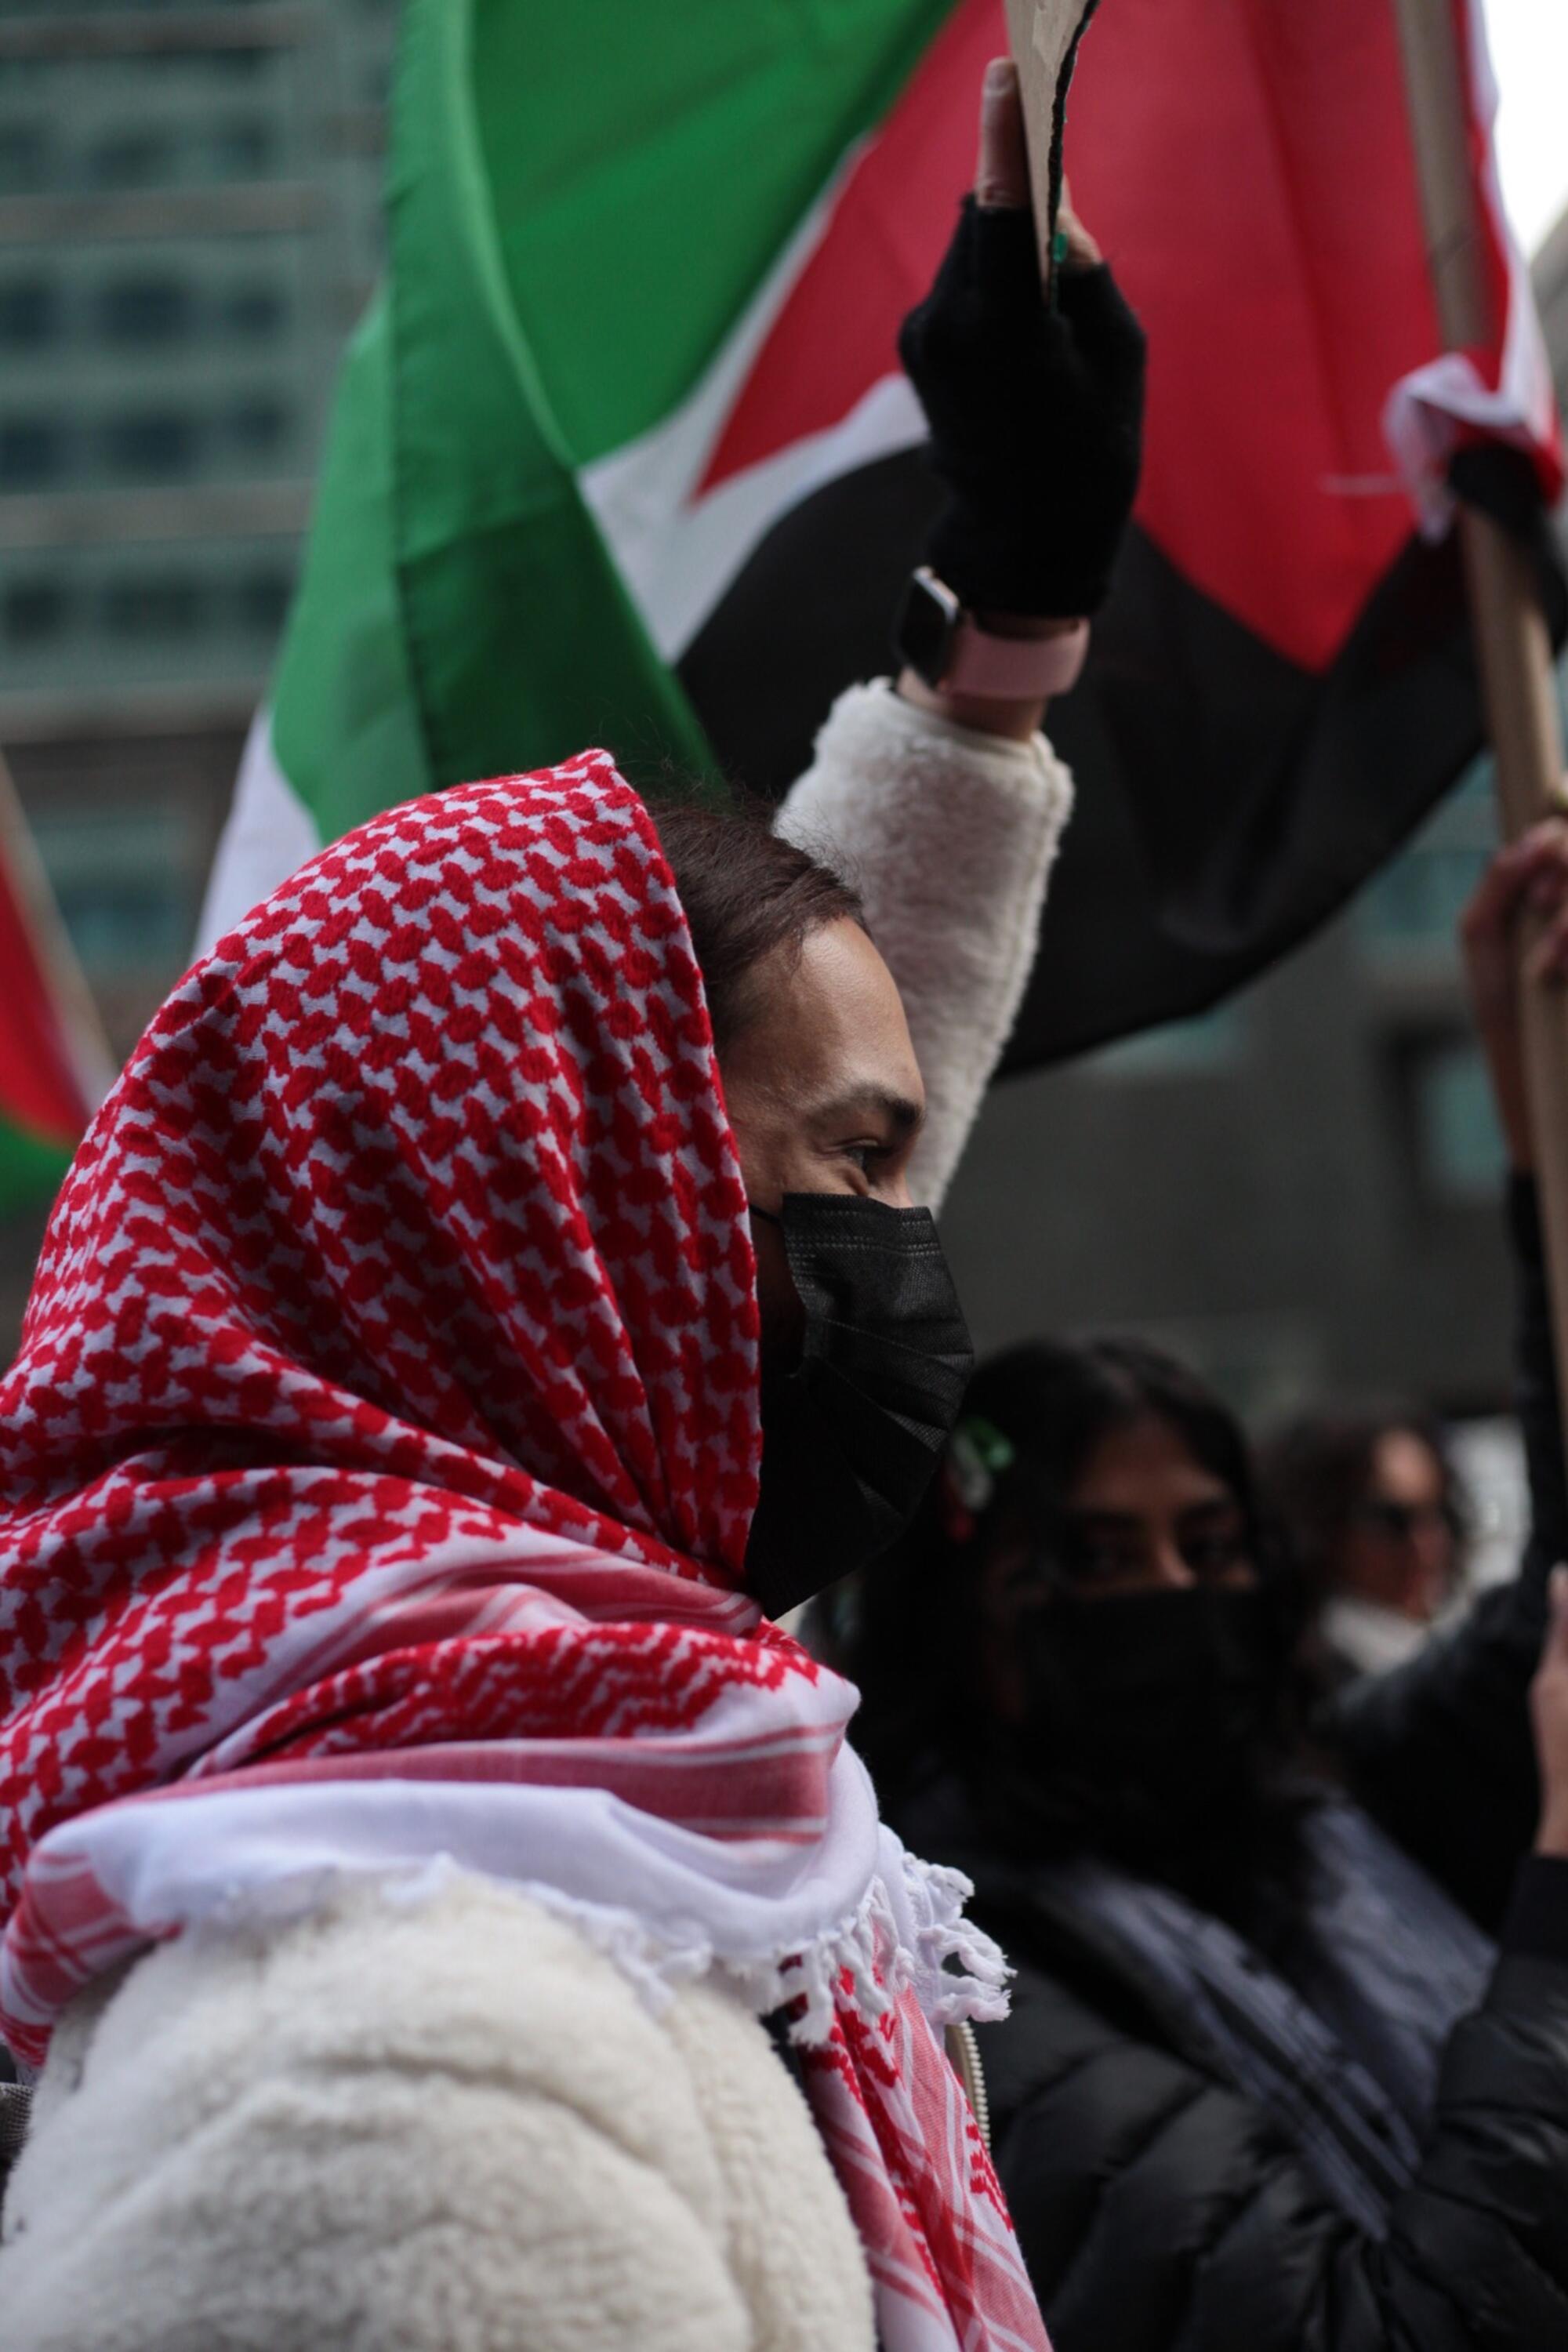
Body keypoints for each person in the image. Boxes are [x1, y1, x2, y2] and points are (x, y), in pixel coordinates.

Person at [0, 60, 1144, 2352]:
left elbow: (831, 1037)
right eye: (849, 1173)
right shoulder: (391, 2077)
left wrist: (999, 615)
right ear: (558, 1224)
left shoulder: (575, 1794)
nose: (899, 1259)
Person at [837, 818, 1568, 2352]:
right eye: (1092, 1561)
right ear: (963, 1625)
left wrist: (1535, 1110)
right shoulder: (975, 2012)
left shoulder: (1331, 1805)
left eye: (1210, 1548)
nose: (1171, 1595)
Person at [1261, 1400, 1466, 1682]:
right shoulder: (1318, 1675)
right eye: (1393, 1520)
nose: (1428, 1543)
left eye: (1441, 1513)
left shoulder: (1444, 1635)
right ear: (1325, 1527)